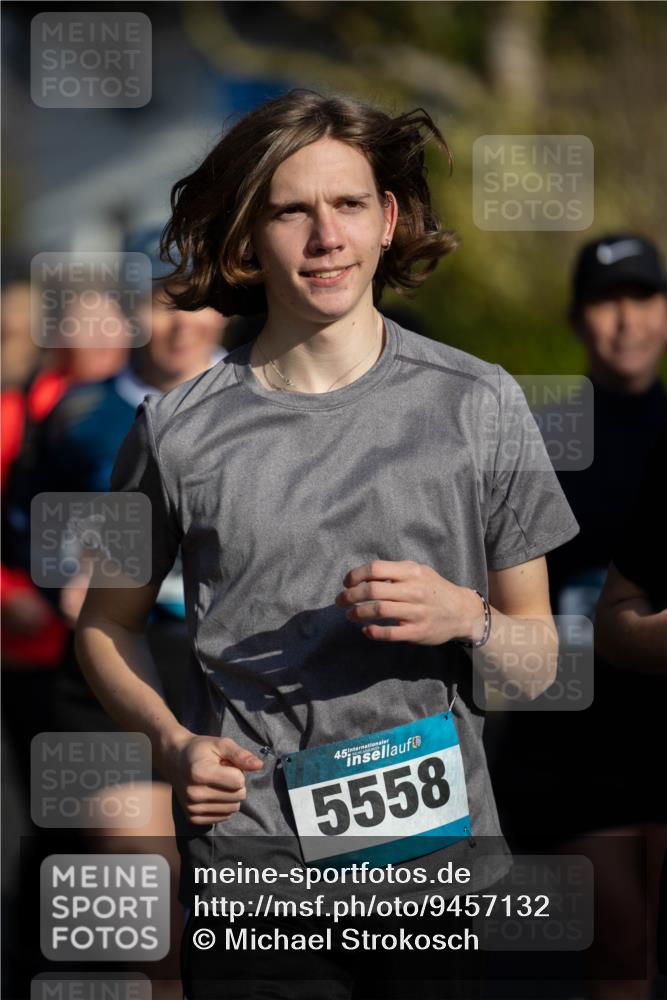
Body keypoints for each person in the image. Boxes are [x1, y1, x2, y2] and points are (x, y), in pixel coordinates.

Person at [75, 89, 580, 999]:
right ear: (247, 235)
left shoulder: (481, 402)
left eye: (347, 204)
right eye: (291, 210)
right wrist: (171, 741)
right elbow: (104, 628)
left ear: (387, 221)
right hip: (257, 884)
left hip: (440, 883)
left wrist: (465, 617)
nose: (325, 237)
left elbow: (540, 660)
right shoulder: (169, 430)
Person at [490, 234, 667, 1000]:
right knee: (619, 945)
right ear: (574, 319)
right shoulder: (540, 439)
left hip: (664, 729)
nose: (625, 322)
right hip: (571, 742)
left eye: (641, 298)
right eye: (604, 302)